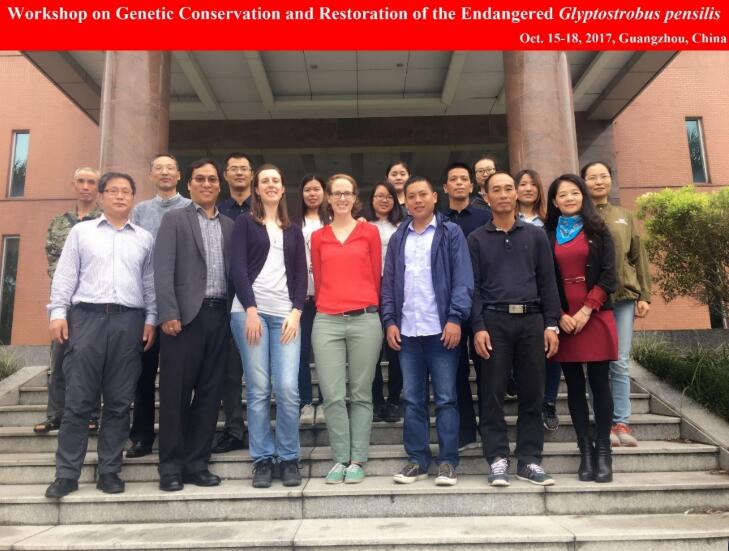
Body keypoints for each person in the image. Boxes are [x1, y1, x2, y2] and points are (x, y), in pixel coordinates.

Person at [45, 172, 156, 498]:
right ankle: (67, 474)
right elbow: (65, 275)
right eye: (113, 191)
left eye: (126, 192)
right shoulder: (81, 233)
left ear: (133, 198)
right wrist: (58, 313)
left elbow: (149, 283)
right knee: (78, 401)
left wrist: (151, 319)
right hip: (87, 319)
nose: (120, 196)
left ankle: (109, 470)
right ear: (102, 196)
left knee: (120, 402)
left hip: (129, 321)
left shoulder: (144, 238)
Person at [469, 171, 560, 487]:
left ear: (517, 194)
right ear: (486, 196)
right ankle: (497, 458)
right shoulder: (476, 239)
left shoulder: (535, 236)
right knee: (492, 393)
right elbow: (473, 288)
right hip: (494, 321)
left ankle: (529, 460)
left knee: (533, 392)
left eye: (509, 188)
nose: (504, 194)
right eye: (497, 190)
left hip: (532, 321)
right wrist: (478, 326)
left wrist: (552, 324)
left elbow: (548, 282)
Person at [382, 176, 473, 486]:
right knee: (412, 399)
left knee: (446, 398)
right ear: (405, 201)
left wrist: (455, 318)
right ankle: (418, 460)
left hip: (441, 329)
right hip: (407, 331)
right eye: (412, 196)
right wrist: (389, 321)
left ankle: (448, 461)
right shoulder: (399, 237)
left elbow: (462, 279)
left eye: (423, 194)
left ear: (435, 197)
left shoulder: (450, 232)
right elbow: (389, 283)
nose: (417, 200)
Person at [154, 159, 234, 492]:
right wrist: (168, 313)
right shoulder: (175, 219)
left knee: (210, 393)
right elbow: (162, 269)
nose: (206, 184)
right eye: (200, 179)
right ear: (189, 184)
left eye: (212, 179)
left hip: (220, 316)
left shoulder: (229, 225)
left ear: (219, 185)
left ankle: (197, 464)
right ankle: (171, 467)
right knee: (175, 394)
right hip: (184, 319)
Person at [230, 164, 307, 488]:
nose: (271, 185)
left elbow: (301, 275)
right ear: (257, 189)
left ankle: (288, 457)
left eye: (276, 180)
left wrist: (296, 312)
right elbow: (237, 268)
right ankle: (262, 458)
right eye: (265, 181)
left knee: (287, 388)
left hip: (285, 316)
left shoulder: (293, 229)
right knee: (259, 388)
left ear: (282, 187)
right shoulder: (245, 223)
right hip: (250, 314)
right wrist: (250, 309)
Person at [546, 173, 618, 483]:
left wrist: (587, 309)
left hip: (595, 314)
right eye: (562, 194)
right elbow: (544, 280)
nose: (569, 198)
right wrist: (560, 314)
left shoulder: (599, 231)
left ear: (583, 196)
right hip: (564, 319)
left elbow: (609, 274)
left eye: (574, 192)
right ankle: (585, 451)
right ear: (554, 201)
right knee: (574, 386)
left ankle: (603, 451)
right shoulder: (547, 235)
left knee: (599, 383)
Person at [311, 174, 383, 484]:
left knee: (361, 392)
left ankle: (357, 459)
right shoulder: (318, 237)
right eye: (336, 193)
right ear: (328, 198)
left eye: (347, 193)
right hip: (327, 320)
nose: (342, 198)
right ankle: (340, 457)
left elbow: (376, 275)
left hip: (365, 318)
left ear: (355, 198)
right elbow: (319, 278)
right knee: (332, 394)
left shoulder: (370, 232)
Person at [582, 161, 652, 448]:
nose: (599, 181)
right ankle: (601, 420)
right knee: (595, 362)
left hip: (623, 297)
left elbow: (638, 256)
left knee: (620, 362)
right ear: (583, 182)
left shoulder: (624, 215)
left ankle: (621, 421)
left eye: (603, 176)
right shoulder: (578, 216)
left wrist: (644, 295)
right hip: (591, 301)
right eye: (592, 177)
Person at [126, 154, 190, 459]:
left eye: (170, 168)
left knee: (178, 377)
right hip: (146, 305)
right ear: (151, 175)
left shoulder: (190, 207)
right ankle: (141, 436)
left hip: (181, 304)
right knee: (143, 374)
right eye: (158, 169)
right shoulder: (140, 211)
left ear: (179, 175)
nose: (164, 173)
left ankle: (177, 435)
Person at [33, 167, 102, 436]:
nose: (86, 187)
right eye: (81, 181)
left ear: (98, 187)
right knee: (59, 357)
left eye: (91, 182)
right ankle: (55, 414)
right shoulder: (58, 223)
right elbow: (53, 263)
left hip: (94, 301)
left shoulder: (104, 221)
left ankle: (91, 414)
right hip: (64, 302)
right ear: (73, 185)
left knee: (91, 358)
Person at [441, 162, 490, 451]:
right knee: (455, 370)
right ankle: (465, 430)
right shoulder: (438, 221)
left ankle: (489, 427)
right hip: (450, 309)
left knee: (487, 369)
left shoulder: (485, 217)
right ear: (445, 187)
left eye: (464, 179)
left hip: (483, 303)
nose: (459, 183)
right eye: (453, 179)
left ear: (471, 186)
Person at [212, 153, 255, 454]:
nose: (239, 173)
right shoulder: (217, 211)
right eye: (233, 169)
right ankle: (234, 429)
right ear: (225, 176)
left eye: (244, 169)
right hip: (226, 300)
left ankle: (262, 428)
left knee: (260, 371)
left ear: (252, 175)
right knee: (230, 371)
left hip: (262, 299)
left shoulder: (264, 210)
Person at [515, 169, 561, 433]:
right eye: (522, 184)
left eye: (533, 184)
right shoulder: (506, 221)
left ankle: (549, 402)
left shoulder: (549, 222)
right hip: (518, 295)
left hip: (547, 292)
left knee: (551, 352)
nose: (528, 188)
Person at [367, 181, 405, 423]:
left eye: (388, 196)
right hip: (369, 288)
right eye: (378, 196)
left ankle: (394, 400)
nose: (383, 200)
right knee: (371, 348)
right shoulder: (363, 225)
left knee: (395, 347)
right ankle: (376, 400)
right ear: (371, 200)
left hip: (396, 288)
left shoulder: (403, 225)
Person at [294, 174, 330, 426]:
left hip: (328, 297)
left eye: (317, 189)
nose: (312, 194)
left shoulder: (333, 221)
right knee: (301, 351)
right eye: (308, 189)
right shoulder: (292, 223)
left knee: (327, 351)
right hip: (302, 297)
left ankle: (327, 401)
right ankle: (305, 402)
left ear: (324, 193)